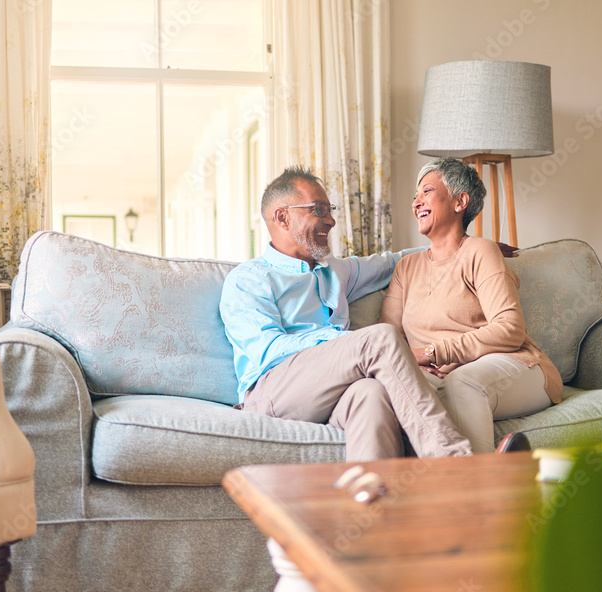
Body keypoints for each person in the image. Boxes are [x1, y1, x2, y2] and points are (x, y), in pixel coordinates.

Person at [219, 166, 474, 461]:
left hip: (328, 395)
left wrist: (464, 248)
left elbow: (395, 262)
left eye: (330, 210)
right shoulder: (249, 279)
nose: (331, 221)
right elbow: (266, 351)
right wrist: (345, 342)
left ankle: (372, 500)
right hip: (270, 395)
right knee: (378, 339)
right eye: (319, 210)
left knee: (371, 394)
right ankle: (455, 460)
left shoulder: (335, 271)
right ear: (282, 217)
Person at [380, 157, 563, 453]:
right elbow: (387, 338)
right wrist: (412, 361)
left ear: (459, 201)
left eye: (426, 191)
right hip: (440, 376)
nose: (417, 202)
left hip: (515, 366)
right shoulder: (406, 267)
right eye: (415, 196)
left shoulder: (480, 251)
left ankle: (480, 487)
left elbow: (509, 330)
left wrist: (433, 353)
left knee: (461, 384)